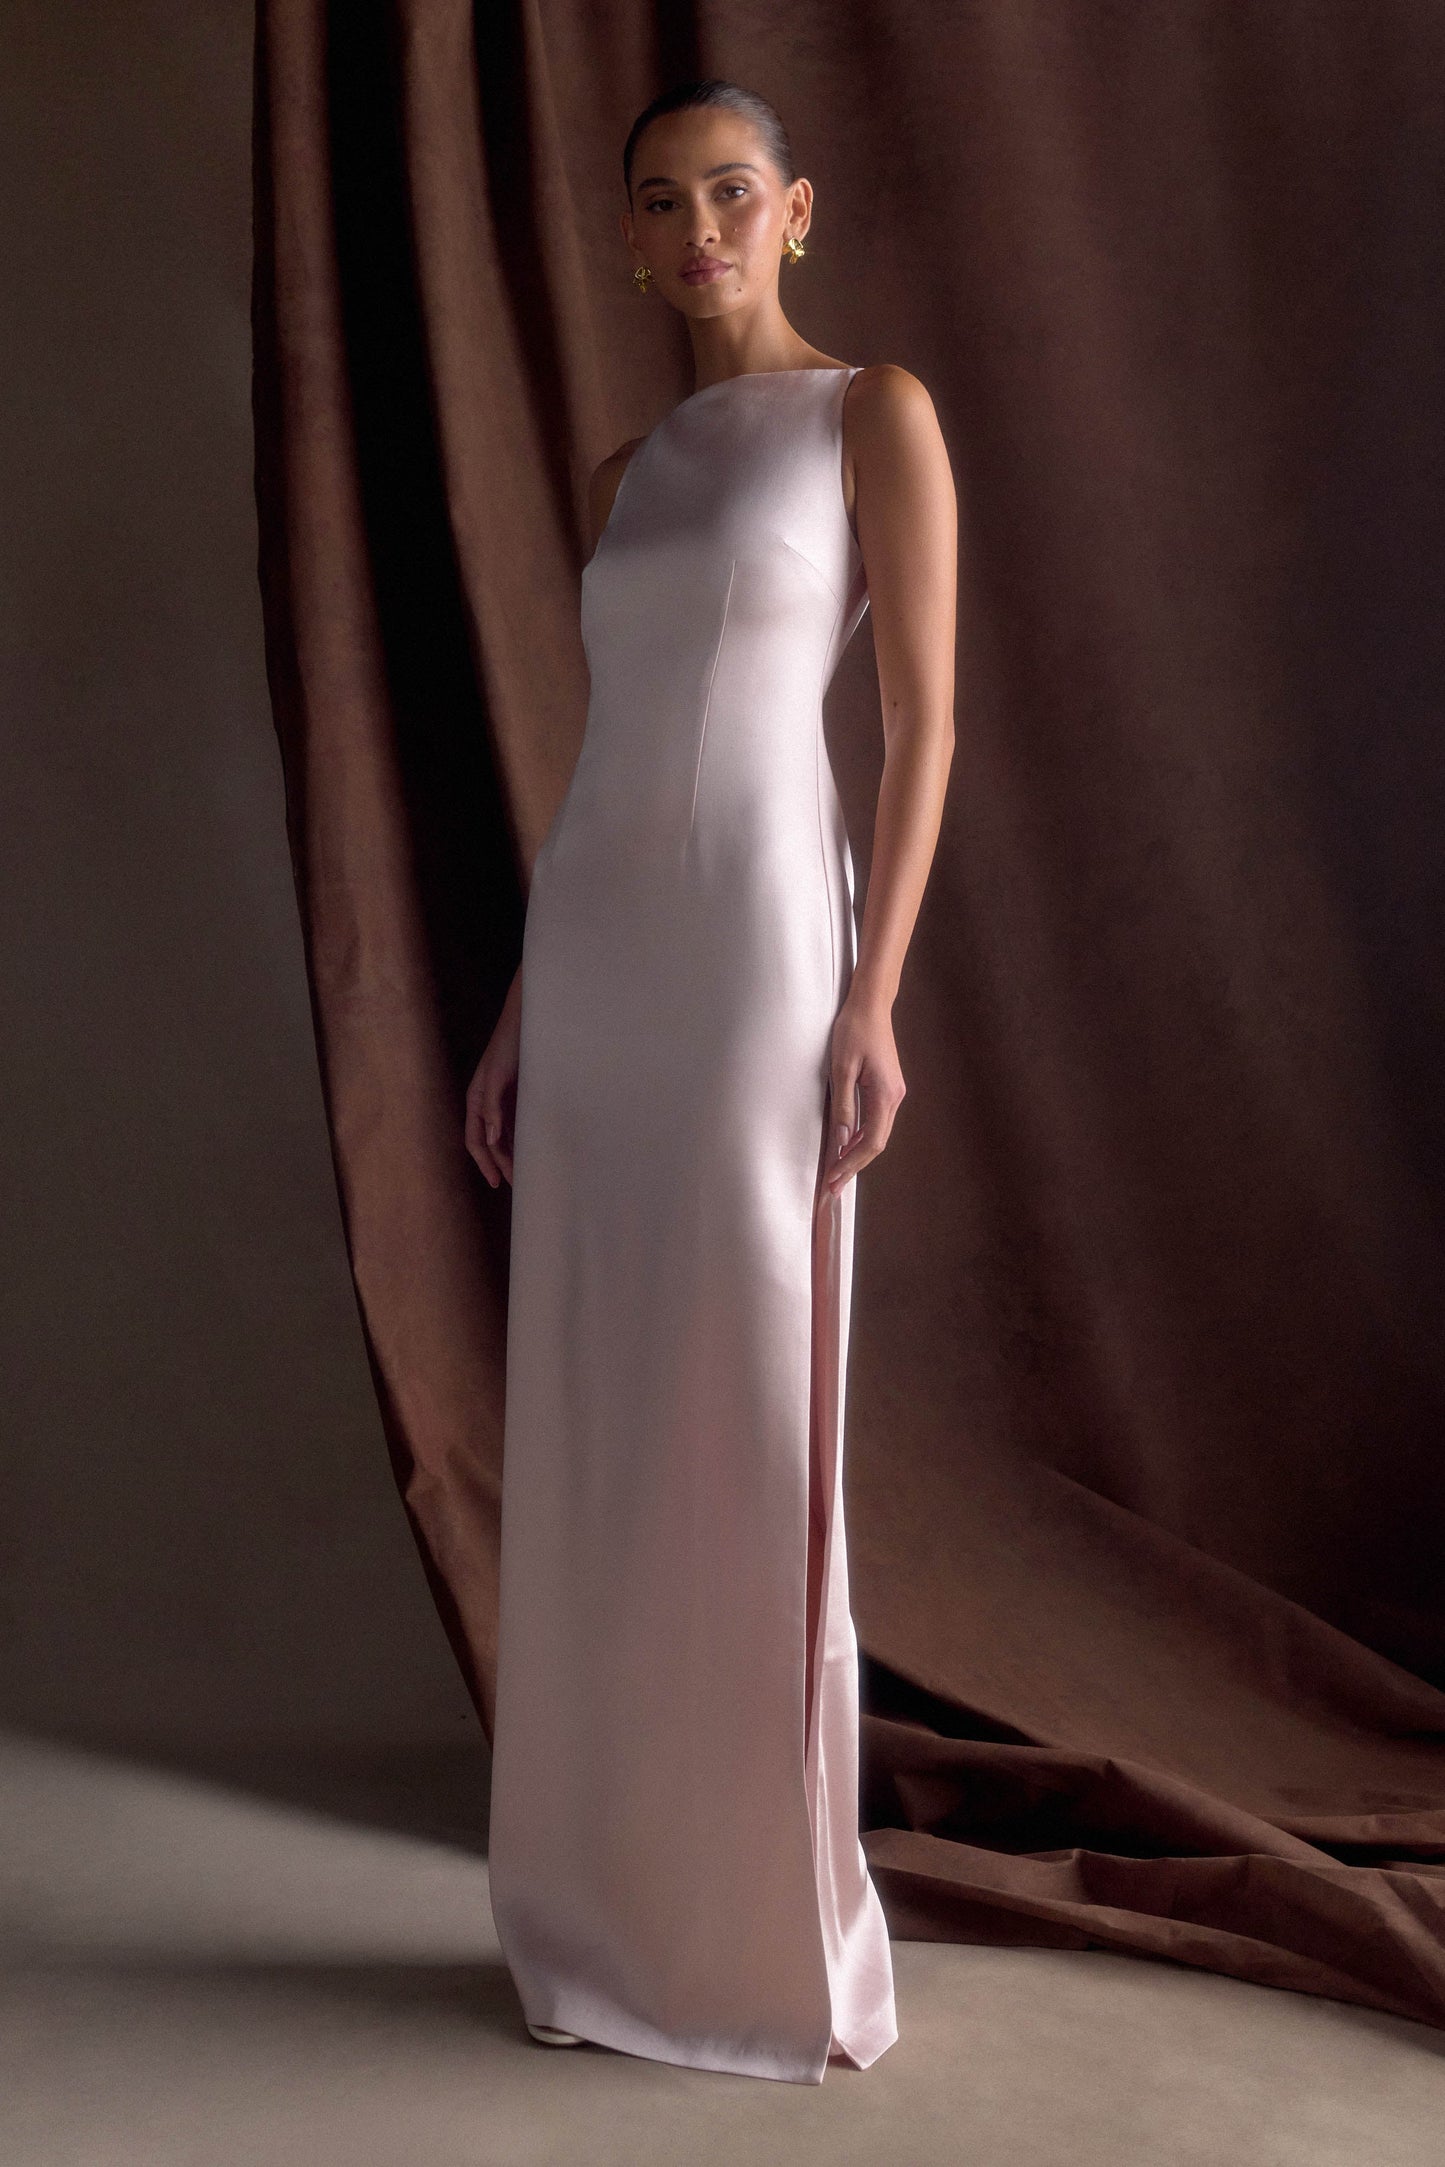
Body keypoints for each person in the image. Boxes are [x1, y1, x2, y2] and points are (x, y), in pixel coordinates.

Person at [465, 77, 957, 2085]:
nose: (696, 233)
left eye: (729, 194)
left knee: (750, 1393)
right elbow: (610, 755)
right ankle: (601, 1907)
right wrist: (525, 998)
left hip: (765, 948)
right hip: (603, 959)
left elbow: (921, 724)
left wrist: (873, 996)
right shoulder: (626, 467)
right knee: (602, 1399)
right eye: (659, 204)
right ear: (629, 237)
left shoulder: (871, 414)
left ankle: (758, 1935)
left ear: (796, 210)